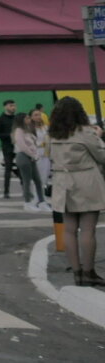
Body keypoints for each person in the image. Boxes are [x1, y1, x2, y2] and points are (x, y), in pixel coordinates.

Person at [47, 96, 105, 287]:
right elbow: (101, 156)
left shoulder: (52, 134)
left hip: (62, 183)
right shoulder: (85, 133)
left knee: (69, 230)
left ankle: (77, 273)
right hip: (86, 182)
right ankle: (89, 272)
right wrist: (99, 136)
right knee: (88, 230)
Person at [12, 113, 48, 212]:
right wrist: (33, 155)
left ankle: (41, 202)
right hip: (23, 156)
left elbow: (34, 143)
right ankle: (27, 202)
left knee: (38, 180)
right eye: (27, 118)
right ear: (22, 120)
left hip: (31, 157)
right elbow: (22, 145)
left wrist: (34, 154)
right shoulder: (19, 131)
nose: (29, 119)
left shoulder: (28, 130)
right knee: (27, 180)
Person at [0, 99, 22, 198]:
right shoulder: (0, 119)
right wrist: (9, 135)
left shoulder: (17, 119)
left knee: (21, 167)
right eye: (10, 106)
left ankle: (25, 189)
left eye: (14, 105)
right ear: (5, 107)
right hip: (7, 146)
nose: (13, 108)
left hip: (19, 146)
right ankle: (6, 191)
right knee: (8, 168)